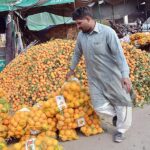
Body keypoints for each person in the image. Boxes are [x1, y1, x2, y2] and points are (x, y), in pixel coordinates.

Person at [66, 7, 132, 143]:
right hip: (94, 78)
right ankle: (116, 117)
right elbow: (77, 53)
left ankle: (121, 130)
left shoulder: (108, 33)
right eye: (76, 24)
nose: (77, 27)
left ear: (88, 19)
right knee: (98, 105)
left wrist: (125, 75)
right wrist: (71, 69)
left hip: (112, 76)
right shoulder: (81, 36)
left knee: (121, 103)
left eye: (79, 23)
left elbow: (119, 56)